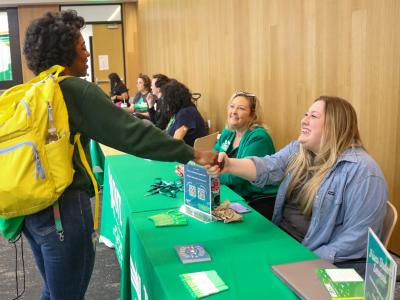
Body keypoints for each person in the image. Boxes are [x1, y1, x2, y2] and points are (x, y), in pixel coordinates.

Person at [22, 10, 217, 299]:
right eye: (81, 47)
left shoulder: (35, 90)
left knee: (54, 289)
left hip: (31, 207)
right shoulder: (74, 90)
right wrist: (192, 154)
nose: (87, 54)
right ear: (64, 52)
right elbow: (132, 134)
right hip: (62, 208)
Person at [207, 96, 387, 274]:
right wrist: (229, 165)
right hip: (283, 240)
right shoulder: (299, 149)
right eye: (305, 114)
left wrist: (304, 262)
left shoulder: (364, 173)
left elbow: (358, 240)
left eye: (313, 116)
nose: (304, 121)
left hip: (311, 256)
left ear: (336, 125)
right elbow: (269, 166)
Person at [212, 91, 278, 219]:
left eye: (241, 108)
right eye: (232, 106)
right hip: (234, 192)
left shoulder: (259, 137)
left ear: (253, 115)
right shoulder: (228, 131)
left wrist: (209, 174)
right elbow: (213, 157)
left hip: (258, 199)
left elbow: (237, 176)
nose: (234, 111)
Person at [161, 79, 207, 146]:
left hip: (187, 153)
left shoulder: (186, 113)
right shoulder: (181, 111)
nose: (164, 102)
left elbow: (175, 143)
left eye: (165, 99)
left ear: (172, 99)